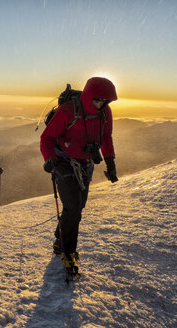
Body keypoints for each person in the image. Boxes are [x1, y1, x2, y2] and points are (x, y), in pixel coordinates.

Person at [40, 77, 118, 272]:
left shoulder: (105, 112)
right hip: (63, 162)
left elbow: (106, 137)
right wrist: (48, 158)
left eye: (105, 101)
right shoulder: (68, 111)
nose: (102, 104)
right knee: (74, 207)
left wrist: (110, 162)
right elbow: (47, 137)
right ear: (90, 95)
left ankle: (60, 240)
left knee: (77, 206)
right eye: (98, 100)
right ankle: (68, 253)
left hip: (85, 162)